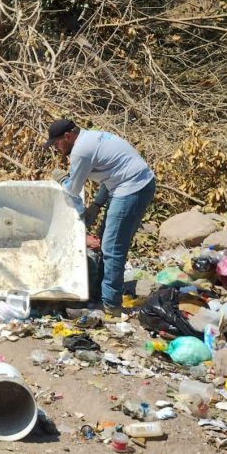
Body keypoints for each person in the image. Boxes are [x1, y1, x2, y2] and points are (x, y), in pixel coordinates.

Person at [44, 119, 155, 315]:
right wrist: (96, 205)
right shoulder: (91, 138)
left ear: (67, 137)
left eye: (57, 143)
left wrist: (62, 179)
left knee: (112, 247)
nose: (56, 148)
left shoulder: (80, 150)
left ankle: (110, 305)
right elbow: (110, 174)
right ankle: (99, 295)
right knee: (107, 241)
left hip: (132, 188)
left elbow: (73, 189)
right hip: (130, 184)